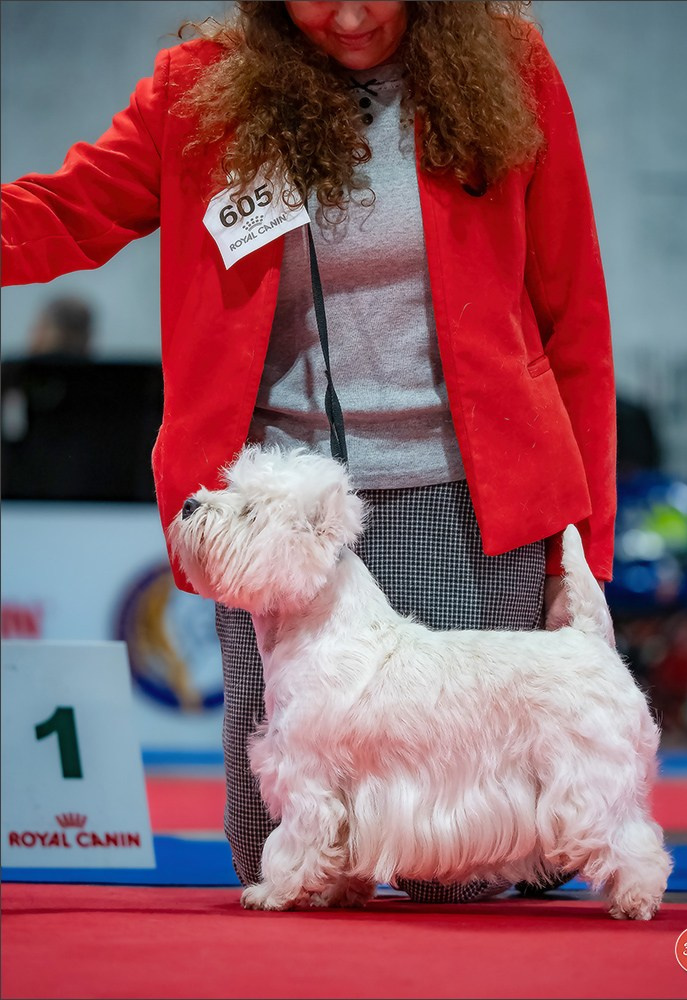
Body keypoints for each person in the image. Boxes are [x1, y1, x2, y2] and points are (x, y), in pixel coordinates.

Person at [1, 1, 616, 903]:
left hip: (463, 499)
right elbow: (66, 208)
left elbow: (578, 324)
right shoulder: (200, 87)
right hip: (280, 518)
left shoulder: (510, 68)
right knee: (281, 861)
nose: (353, 13)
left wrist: (583, 553)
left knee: (460, 877)